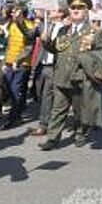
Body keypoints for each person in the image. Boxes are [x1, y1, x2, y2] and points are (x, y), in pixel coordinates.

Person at [38, 0, 102, 150]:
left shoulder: (94, 32)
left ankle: (80, 133)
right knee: (57, 110)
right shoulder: (63, 31)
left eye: (80, 8)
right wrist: (46, 42)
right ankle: (52, 138)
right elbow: (56, 49)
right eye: (73, 7)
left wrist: (90, 52)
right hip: (61, 76)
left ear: (86, 11)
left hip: (81, 78)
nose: (75, 10)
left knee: (80, 109)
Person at [0, 2, 38, 130]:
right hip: (9, 62)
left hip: (22, 65)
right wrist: (5, 61)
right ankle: (17, 111)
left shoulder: (30, 26)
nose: (12, 13)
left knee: (15, 90)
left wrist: (18, 61)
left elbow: (28, 48)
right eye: (13, 11)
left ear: (22, 13)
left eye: (16, 11)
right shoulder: (12, 24)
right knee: (6, 88)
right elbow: (9, 45)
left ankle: (12, 119)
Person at [29, 7, 68, 136]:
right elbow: (28, 35)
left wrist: (48, 41)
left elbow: (59, 47)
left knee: (47, 95)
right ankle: (49, 118)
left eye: (52, 10)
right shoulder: (44, 26)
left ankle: (44, 125)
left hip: (54, 66)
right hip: (41, 65)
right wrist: (19, 21)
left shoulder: (65, 28)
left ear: (61, 13)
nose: (49, 11)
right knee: (38, 93)